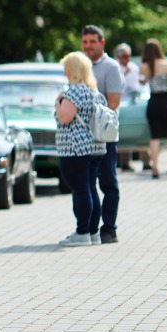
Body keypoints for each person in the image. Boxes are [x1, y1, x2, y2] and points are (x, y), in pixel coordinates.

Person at [54, 52, 106, 246]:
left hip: (75, 149)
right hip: (95, 146)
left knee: (81, 189)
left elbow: (64, 118)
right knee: (90, 188)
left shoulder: (74, 92)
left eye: (66, 68)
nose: (64, 72)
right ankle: (93, 232)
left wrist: (58, 102)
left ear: (71, 70)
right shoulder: (94, 92)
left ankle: (82, 232)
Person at [81, 25, 123, 243]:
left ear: (102, 42)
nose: (88, 46)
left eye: (92, 42)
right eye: (84, 42)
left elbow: (113, 103)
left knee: (108, 183)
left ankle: (109, 228)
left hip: (104, 136)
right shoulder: (81, 66)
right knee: (86, 185)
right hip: (83, 137)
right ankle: (89, 229)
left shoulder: (110, 67)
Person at [141, 39, 167, 178]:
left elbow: (143, 81)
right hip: (166, 101)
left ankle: (155, 168)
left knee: (155, 137)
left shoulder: (144, 66)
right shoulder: (166, 64)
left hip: (153, 102)